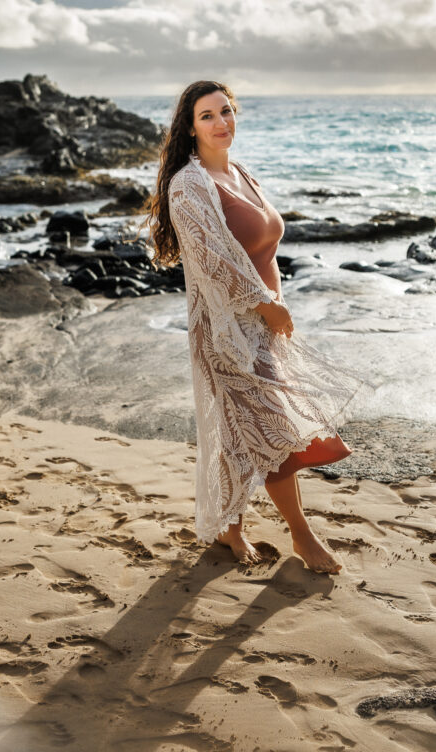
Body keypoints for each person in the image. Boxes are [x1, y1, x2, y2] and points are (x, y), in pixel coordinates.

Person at [145, 80, 368, 574]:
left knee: (243, 431)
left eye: (227, 111)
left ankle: (229, 529)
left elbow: (259, 248)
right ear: (189, 127)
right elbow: (212, 261)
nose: (222, 122)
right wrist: (265, 305)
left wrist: (274, 309)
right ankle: (303, 538)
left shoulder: (239, 174)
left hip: (263, 327)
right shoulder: (188, 185)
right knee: (275, 430)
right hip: (228, 333)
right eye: (207, 116)